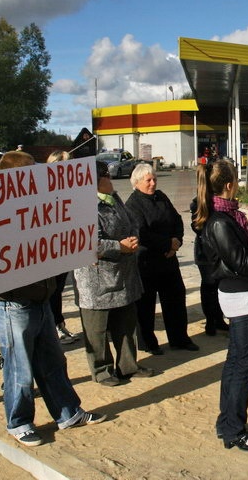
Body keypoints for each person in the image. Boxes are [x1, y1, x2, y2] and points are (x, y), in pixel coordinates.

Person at [0, 150, 105, 447]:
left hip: (42, 301)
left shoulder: (43, 209)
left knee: (53, 362)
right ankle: (19, 421)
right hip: (13, 305)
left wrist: (79, 249)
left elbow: (55, 245)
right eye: (33, 174)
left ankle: (68, 412)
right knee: (18, 367)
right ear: (18, 179)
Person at [194, 159, 248, 451]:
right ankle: (234, 429)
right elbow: (244, 262)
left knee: (236, 363)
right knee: (245, 366)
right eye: (237, 182)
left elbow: (247, 246)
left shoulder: (229, 216)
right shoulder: (220, 221)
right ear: (230, 186)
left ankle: (227, 422)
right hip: (239, 297)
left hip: (241, 294)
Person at [72, 161, 154, 387]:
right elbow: (86, 243)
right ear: (95, 181)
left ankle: (128, 366)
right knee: (97, 329)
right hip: (96, 279)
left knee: (126, 324)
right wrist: (119, 246)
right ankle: (102, 370)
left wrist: (133, 239)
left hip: (123, 274)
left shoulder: (114, 198)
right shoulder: (82, 205)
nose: (111, 179)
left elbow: (132, 223)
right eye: (107, 175)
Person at [125, 163, 198, 354]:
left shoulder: (161, 196)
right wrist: (168, 244)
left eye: (154, 179)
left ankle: (179, 338)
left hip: (168, 259)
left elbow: (176, 220)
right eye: (148, 180)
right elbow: (141, 233)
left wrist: (177, 242)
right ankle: (148, 343)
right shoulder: (132, 204)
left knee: (175, 299)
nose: (152, 183)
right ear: (137, 182)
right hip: (146, 262)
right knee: (146, 306)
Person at [46, 150, 79, 345]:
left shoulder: (73, 188)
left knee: (57, 289)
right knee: (51, 290)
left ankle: (58, 323)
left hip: (65, 247)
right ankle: (52, 326)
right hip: (50, 248)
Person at [190, 195, 229, 337]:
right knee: (209, 285)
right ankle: (210, 321)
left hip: (221, 250)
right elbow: (197, 226)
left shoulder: (223, 200)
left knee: (219, 286)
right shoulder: (199, 202)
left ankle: (219, 319)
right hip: (205, 251)